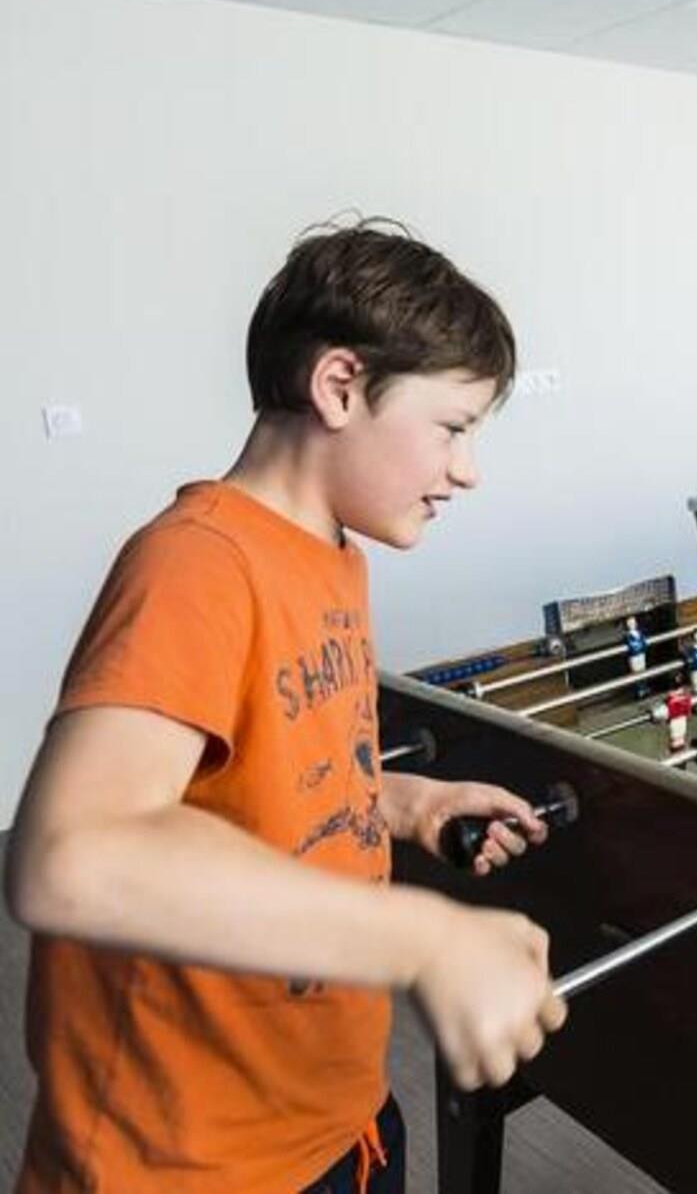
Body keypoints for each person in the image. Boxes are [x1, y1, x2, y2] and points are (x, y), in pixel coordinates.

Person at [5, 222, 565, 1194]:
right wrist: (428, 938)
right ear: (340, 386)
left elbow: (263, 780)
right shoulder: (197, 563)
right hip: (189, 1166)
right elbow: (71, 854)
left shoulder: (334, 556)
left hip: (335, 1120)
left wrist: (402, 802)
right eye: (453, 427)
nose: (468, 469)